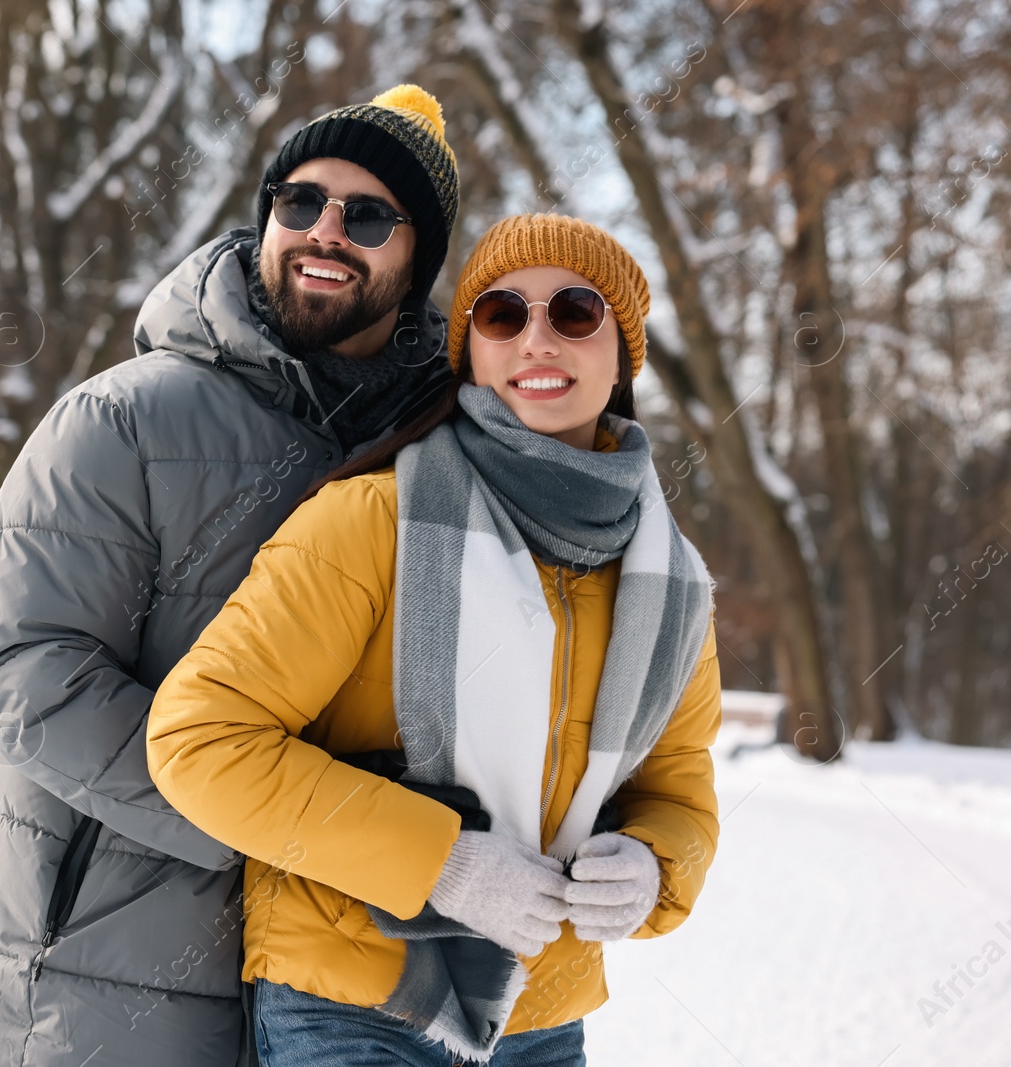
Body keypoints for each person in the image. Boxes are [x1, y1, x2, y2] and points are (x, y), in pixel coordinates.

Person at [148, 213, 722, 1066]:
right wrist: (441, 862)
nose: (537, 339)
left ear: (622, 353)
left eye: (574, 312)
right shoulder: (371, 520)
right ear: (471, 350)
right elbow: (199, 740)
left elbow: (679, 787)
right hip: (351, 1002)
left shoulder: (668, 578)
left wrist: (653, 866)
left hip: (544, 1012)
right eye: (501, 314)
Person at [0, 85, 462, 1066]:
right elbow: (31, 678)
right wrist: (287, 823)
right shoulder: (123, 421)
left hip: (354, 987)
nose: (325, 231)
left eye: (367, 215)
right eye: (297, 200)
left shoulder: (442, 453)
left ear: (418, 258)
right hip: (112, 975)